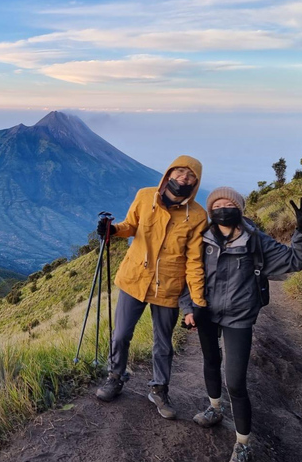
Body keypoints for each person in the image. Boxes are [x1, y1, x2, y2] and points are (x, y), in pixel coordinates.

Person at [182, 187, 302, 462]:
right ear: (210, 210)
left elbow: (297, 260)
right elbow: (185, 274)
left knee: (236, 381)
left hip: (239, 317)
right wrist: (188, 309)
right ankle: (214, 408)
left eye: (228, 203)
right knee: (210, 361)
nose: (222, 208)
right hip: (205, 312)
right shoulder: (200, 238)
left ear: (239, 209)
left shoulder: (256, 240)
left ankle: (243, 442)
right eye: (216, 204)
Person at [95, 155, 207, 420]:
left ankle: (159, 388)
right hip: (135, 279)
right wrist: (112, 230)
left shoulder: (198, 216)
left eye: (190, 175)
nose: (183, 178)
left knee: (163, 344)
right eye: (179, 172)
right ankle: (115, 376)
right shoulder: (145, 196)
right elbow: (130, 226)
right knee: (121, 334)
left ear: (196, 182)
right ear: (169, 174)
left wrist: (197, 303)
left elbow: (194, 262)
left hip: (169, 286)